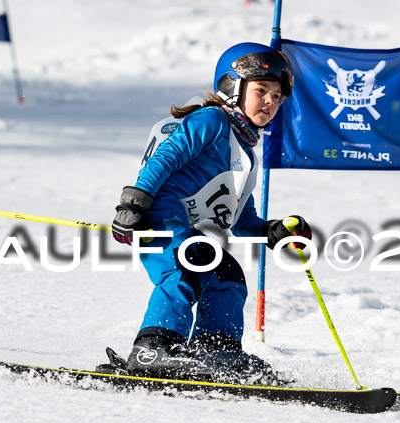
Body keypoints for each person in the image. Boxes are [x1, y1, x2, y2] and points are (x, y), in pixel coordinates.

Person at [110, 42, 312, 385]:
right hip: (157, 214)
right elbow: (167, 157)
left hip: (189, 230)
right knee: (183, 269)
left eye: (277, 97)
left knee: (227, 274)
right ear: (233, 86)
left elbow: (240, 220)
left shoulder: (246, 152)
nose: (270, 102)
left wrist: (274, 230)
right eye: (262, 90)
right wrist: (134, 202)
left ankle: (215, 350)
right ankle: (153, 349)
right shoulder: (212, 120)